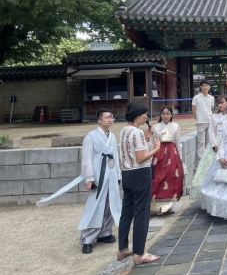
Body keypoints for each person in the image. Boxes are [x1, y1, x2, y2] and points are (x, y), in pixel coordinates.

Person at [37, 109, 122, 255]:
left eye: (112, 117)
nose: (110, 119)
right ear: (99, 120)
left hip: (111, 174)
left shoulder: (112, 136)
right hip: (98, 174)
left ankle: (105, 232)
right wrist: (89, 178)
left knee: (110, 204)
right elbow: (87, 158)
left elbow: (115, 156)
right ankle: (87, 239)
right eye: (107, 117)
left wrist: (118, 174)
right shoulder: (91, 136)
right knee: (95, 206)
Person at [118, 100, 161, 264]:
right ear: (138, 115)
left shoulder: (124, 130)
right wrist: (156, 149)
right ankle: (139, 253)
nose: (146, 117)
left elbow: (134, 150)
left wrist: (146, 137)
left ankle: (122, 248)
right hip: (140, 173)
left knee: (127, 212)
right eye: (145, 114)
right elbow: (141, 157)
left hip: (127, 173)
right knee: (141, 213)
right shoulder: (136, 133)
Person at [189, 95, 227, 201]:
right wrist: (215, 144)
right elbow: (211, 131)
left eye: (222, 102)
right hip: (216, 140)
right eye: (218, 103)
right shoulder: (214, 116)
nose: (220, 105)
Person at [149, 107, 184, 215]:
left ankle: (169, 205)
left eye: (168, 113)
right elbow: (152, 143)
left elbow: (178, 143)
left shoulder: (176, 126)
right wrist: (151, 157)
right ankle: (158, 206)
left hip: (172, 153)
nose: (165, 116)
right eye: (163, 113)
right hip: (158, 153)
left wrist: (180, 158)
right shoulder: (155, 127)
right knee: (158, 178)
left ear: (171, 115)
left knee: (171, 177)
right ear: (160, 115)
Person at [192, 79, 215, 161]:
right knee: (201, 142)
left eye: (206, 86)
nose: (204, 87)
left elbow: (211, 109)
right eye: (203, 86)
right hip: (200, 122)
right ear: (200, 87)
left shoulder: (211, 98)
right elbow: (193, 109)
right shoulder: (196, 98)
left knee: (209, 141)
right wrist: (197, 119)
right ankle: (201, 159)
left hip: (209, 121)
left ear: (209, 87)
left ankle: (208, 157)